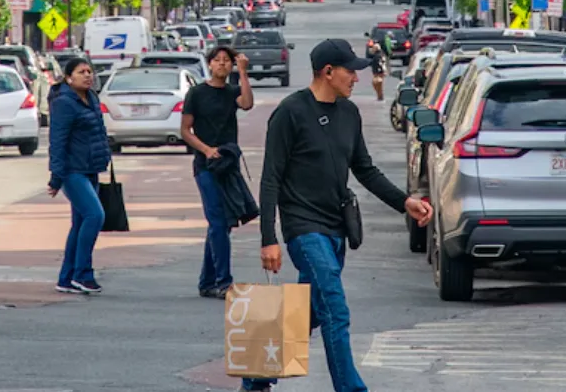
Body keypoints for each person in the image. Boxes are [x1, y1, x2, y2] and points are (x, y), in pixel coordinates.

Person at [256, 39, 433, 392]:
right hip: (303, 229)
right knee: (336, 310)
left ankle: (256, 374)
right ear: (328, 72)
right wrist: (268, 239)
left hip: (336, 227)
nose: (356, 77)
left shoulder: (349, 114)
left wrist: (405, 202)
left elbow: (364, 169)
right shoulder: (290, 113)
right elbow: (270, 178)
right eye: (350, 71)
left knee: (308, 313)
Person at [181, 46, 253, 299]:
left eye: (227, 61)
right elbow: (185, 130)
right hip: (206, 166)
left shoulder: (232, 91)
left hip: (228, 164)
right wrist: (207, 150)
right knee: (218, 223)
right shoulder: (197, 93)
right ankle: (223, 281)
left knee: (221, 226)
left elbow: (247, 103)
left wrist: (243, 73)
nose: (222, 64)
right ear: (210, 64)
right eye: (217, 60)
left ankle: (207, 282)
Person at [47, 58, 111, 294]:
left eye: (89, 71)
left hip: (90, 168)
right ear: (68, 78)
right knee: (95, 215)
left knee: (80, 222)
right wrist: (56, 177)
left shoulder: (91, 98)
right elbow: (57, 141)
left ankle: (66, 278)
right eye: (81, 72)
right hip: (72, 171)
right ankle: (83, 274)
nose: (87, 75)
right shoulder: (64, 103)